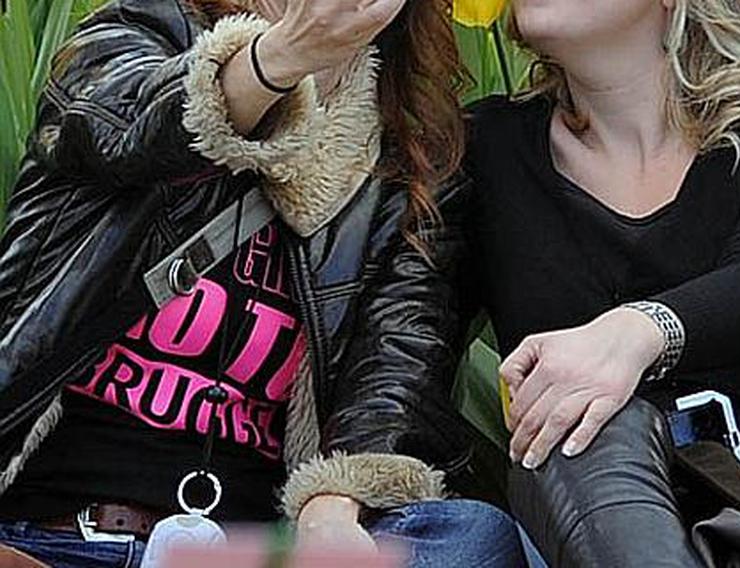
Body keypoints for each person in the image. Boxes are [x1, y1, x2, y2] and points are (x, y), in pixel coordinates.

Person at [0, 0, 527, 566]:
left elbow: (394, 364)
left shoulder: (409, 158)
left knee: (474, 537)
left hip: (243, 550)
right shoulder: (138, 31)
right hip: (51, 536)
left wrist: (331, 507)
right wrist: (279, 60)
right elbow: (124, 125)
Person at [464, 0, 740, 564]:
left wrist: (637, 335)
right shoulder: (484, 151)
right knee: (574, 432)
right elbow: (399, 331)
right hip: (612, 515)